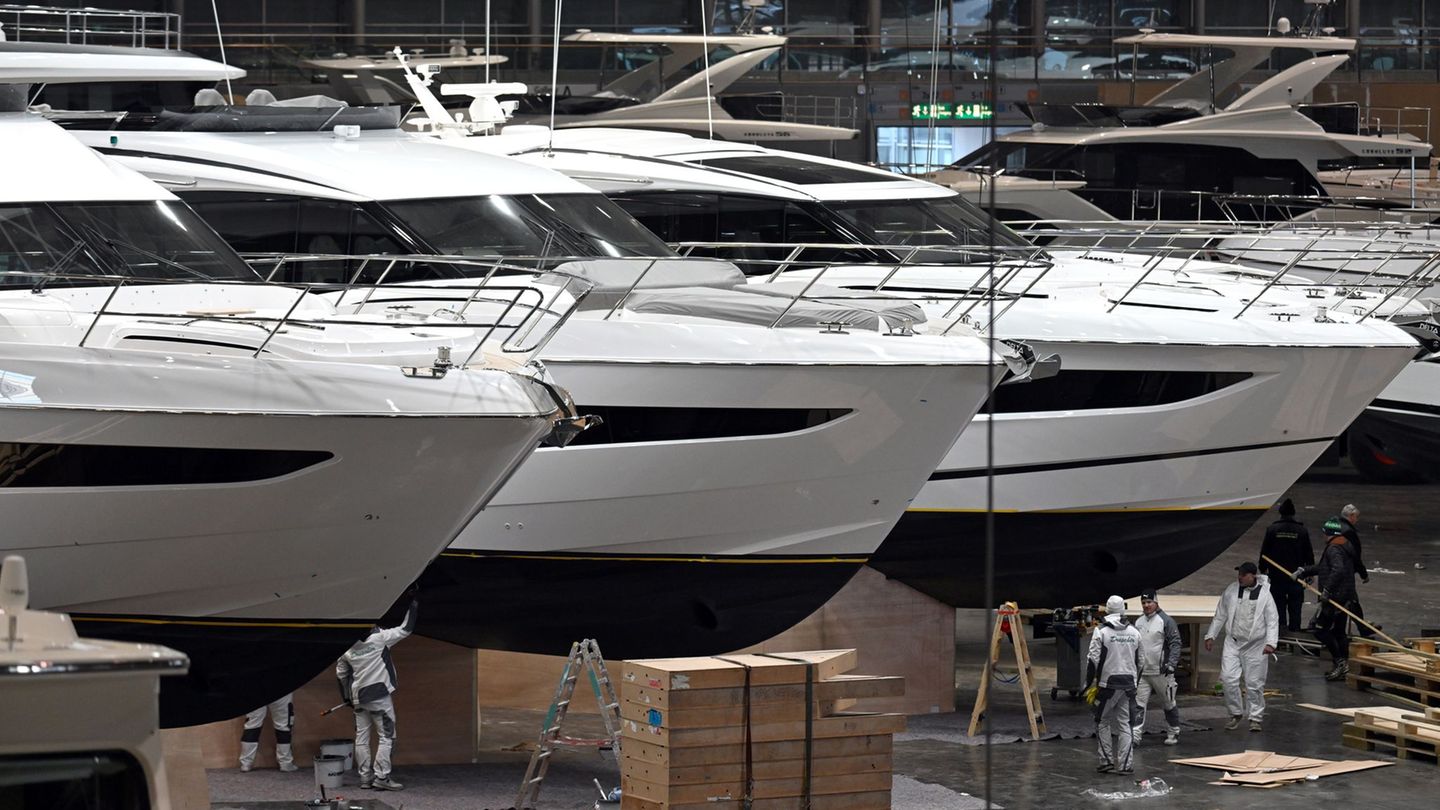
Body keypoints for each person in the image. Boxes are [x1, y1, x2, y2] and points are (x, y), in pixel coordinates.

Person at [337, 599, 418, 791]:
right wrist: (413, 604)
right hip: (379, 696)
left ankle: (365, 778)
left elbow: (341, 675)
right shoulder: (380, 637)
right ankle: (382, 777)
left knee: (362, 738)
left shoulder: (346, 648)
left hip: (358, 697)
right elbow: (406, 628)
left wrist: (346, 698)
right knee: (387, 736)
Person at [1204, 562, 1278, 732]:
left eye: (1244, 574)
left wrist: (1271, 643)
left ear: (1253, 575)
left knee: (1254, 683)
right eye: (1239, 574)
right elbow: (1220, 613)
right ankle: (1235, 713)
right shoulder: (1231, 590)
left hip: (1256, 645)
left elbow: (1272, 620)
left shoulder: (1265, 595)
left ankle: (1255, 718)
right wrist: (1211, 635)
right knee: (1228, 679)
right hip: (1233, 642)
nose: (1240, 577)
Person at [1297, 518, 1360, 681]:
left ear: (1330, 534)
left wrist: (1327, 590)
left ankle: (1340, 662)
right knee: (1339, 632)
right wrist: (1304, 570)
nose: (1323, 536)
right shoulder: (1345, 546)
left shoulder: (1333, 549)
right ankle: (1343, 665)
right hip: (1345, 596)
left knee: (1318, 628)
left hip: (1335, 598)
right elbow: (1325, 568)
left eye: (1325, 534)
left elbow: (1337, 570)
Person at [1087, 595, 1141, 775]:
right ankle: (1126, 765)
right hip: (1128, 685)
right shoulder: (1134, 632)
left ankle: (1106, 761)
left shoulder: (1101, 632)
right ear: (1123, 610)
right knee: (1125, 724)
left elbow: (1092, 661)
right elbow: (1141, 662)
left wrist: (1088, 685)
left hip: (1107, 685)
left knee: (1102, 721)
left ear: (1107, 610)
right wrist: (1135, 683)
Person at [1131, 590, 1182, 746]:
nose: (1146, 605)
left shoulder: (1166, 621)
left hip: (1162, 673)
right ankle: (1135, 736)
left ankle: (1173, 732)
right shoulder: (1139, 622)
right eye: (1144, 603)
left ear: (1156, 602)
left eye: (1149, 602)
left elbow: (1175, 643)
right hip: (1143, 672)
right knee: (1138, 704)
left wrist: (1172, 664)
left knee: (1168, 703)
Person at [1258, 498, 1313, 632]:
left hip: (1277, 576)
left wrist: (1263, 568)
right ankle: (1294, 634)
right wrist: (1309, 572)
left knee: (1278, 607)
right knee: (1295, 607)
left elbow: (1265, 552)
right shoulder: (1301, 531)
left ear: (1280, 513)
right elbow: (1309, 553)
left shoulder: (1272, 529)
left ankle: (1280, 635)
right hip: (1296, 576)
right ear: (1293, 513)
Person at [238, 693, 298, 773]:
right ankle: (285, 763)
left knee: (252, 725)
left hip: (254, 686)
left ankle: (246, 764)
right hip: (281, 686)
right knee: (283, 726)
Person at [1339, 504, 1373, 637]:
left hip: (1336, 569)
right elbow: (1355, 555)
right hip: (1345, 571)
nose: (1357, 520)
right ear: (1351, 516)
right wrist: (1363, 574)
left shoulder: (1337, 526)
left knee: (1346, 600)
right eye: (1356, 517)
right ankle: (1362, 628)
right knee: (1351, 600)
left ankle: (1362, 627)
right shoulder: (1349, 531)